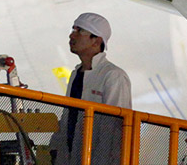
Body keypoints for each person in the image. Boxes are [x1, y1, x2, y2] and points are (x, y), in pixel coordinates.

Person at [49, 13, 132, 165]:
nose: (71, 35)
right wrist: (54, 148)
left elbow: (114, 130)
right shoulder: (75, 74)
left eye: (79, 31)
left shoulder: (113, 76)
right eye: (73, 29)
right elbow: (68, 117)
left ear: (96, 41)